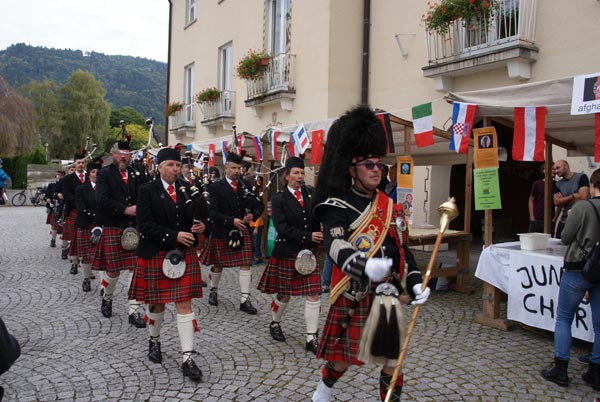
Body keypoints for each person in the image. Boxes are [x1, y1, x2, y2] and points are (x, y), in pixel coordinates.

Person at [310, 105, 431, 402]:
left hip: (386, 294)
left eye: (380, 165)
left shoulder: (389, 206)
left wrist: (415, 280)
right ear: (352, 168)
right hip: (355, 293)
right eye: (369, 165)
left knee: (393, 360)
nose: (377, 169)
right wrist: (363, 265)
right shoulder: (336, 205)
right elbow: (335, 245)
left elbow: (402, 249)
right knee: (344, 359)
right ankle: (323, 392)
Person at [129, 148, 208, 382]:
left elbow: (199, 218)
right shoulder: (146, 190)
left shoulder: (186, 190)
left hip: (181, 254)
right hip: (156, 252)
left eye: (177, 165)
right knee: (156, 304)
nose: (175, 169)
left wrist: (203, 227)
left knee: (185, 303)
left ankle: (187, 358)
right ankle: (154, 340)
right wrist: (174, 236)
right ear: (160, 167)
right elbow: (144, 225)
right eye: (170, 165)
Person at [541, 168, 600, 391]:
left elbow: (565, 236)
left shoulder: (583, 207)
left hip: (578, 267)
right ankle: (595, 372)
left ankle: (561, 369)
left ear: (593, 186)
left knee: (564, 317)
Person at [257, 156, 323, 353]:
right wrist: (309, 235)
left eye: (302, 173)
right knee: (285, 294)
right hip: (287, 251)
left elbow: (318, 216)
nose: (300, 176)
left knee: (313, 293)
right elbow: (282, 227)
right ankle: (275, 323)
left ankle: (311, 337)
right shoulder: (278, 199)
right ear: (287, 176)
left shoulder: (311, 194)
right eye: (296, 173)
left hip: (308, 254)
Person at [199, 152, 264, 314]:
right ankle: (213, 290)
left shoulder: (246, 186)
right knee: (218, 265)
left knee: (245, 264)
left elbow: (259, 206)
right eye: (233, 168)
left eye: (238, 168)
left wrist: (252, 216)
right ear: (226, 168)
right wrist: (231, 220)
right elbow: (212, 212)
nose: (236, 171)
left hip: (243, 231)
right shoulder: (215, 187)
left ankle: (244, 299)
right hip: (222, 231)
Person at [93, 141, 146, 328]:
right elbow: (102, 200)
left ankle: (134, 311)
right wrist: (126, 210)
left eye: (127, 154)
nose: (124, 157)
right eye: (120, 154)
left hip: (134, 228)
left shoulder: (136, 173)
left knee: (136, 269)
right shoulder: (104, 173)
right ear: (112, 154)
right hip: (114, 225)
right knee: (112, 270)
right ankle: (107, 298)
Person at [74, 160, 101, 292]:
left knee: (103, 256)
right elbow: (81, 208)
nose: (96, 174)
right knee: (86, 256)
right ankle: (86, 279)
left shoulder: (105, 189)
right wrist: (96, 216)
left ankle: (104, 285)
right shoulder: (81, 189)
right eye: (93, 172)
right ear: (89, 174)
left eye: (98, 171)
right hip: (86, 224)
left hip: (102, 225)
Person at [62, 150, 88, 272]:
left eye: (83, 162)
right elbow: (67, 196)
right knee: (74, 238)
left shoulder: (91, 176)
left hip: (88, 213)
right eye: (78, 163)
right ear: (74, 164)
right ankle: (74, 263)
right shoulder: (68, 179)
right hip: (74, 210)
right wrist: (80, 203)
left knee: (87, 240)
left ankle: (87, 267)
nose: (81, 165)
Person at [553, 159, 590, 238]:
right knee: (560, 240)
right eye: (554, 169)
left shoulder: (581, 177)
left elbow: (583, 197)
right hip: (565, 219)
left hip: (581, 218)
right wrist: (573, 196)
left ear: (566, 166)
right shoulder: (558, 184)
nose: (555, 171)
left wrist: (564, 200)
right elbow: (556, 202)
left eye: (558, 168)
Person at [528, 166, 557, 233]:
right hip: (537, 218)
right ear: (544, 170)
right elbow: (531, 200)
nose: (554, 171)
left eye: (555, 169)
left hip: (550, 219)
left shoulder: (557, 184)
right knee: (533, 240)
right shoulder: (537, 184)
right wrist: (532, 217)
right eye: (552, 169)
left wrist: (555, 218)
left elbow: (560, 203)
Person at [44, 170, 66, 247]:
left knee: (64, 226)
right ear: (55, 176)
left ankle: (64, 243)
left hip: (63, 207)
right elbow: (46, 196)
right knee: (54, 225)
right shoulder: (51, 185)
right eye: (58, 175)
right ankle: (53, 240)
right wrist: (47, 199)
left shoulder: (66, 185)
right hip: (53, 207)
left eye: (61, 175)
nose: (59, 176)